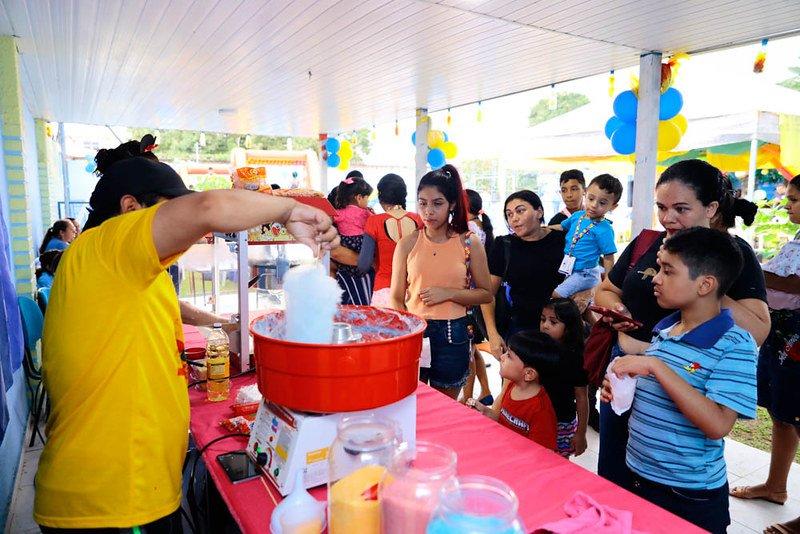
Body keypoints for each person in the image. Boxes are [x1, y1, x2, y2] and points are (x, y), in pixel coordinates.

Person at [34, 155, 338, 532]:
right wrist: (288, 210)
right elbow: (208, 208)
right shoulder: (103, 246)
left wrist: (223, 323)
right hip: (112, 502)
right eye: (170, 208)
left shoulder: (115, 267)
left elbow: (171, 306)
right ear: (131, 208)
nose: (185, 229)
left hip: (130, 491)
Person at [594, 159, 769, 490]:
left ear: (711, 209)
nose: (667, 218)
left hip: (686, 382)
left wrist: (702, 276)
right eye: (661, 207)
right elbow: (606, 289)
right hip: (627, 373)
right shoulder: (650, 242)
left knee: (667, 480)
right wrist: (618, 310)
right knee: (616, 475)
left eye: (681, 209)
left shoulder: (731, 255)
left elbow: (758, 330)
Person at [603, 227, 756, 534]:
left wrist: (655, 366)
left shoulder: (735, 344)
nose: (656, 279)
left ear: (705, 284)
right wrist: (624, 388)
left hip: (688, 494)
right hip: (639, 474)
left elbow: (717, 424)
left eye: (668, 271)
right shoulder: (666, 330)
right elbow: (663, 391)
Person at [730, 175, 800, 534]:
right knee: (781, 413)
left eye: (795, 200)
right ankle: (775, 485)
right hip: (782, 336)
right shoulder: (797, 238)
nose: (788, 206)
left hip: (797, 341)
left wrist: (756, 274)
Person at [390, 164, 492, 399]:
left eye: (437, 203)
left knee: (444, 406)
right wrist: (408, 327)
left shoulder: (469, 242)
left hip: (453, 333)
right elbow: (396, 297)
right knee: (411, 401)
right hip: (414, 331)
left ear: (452, 205)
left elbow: (486, 293)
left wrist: (448, 293)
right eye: (422, 203)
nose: (428, 211)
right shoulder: (407, 243)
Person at [481, 190, 566, 358]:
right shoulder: (504, 244)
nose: (514, 218)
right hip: (520, 329)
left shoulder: (562, 240)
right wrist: (492, 334)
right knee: (520, 374)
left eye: (520, 211)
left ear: (539, 212)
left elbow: (587, 273)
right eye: (509, 214)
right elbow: (487, 295)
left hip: (561, 326)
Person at [467, 330, 559, 450]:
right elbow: (503, 420)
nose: (502, 357)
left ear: (529, 374)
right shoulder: (512, 386)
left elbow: (544, 453)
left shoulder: (541, 411)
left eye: (509, 356)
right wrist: (484, 411)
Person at [548, 174, 622, 298]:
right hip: (571, 269)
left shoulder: (605, 229)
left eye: (602, 203)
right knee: (575, 303)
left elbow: (608, 257)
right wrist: (544, 228)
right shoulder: (578, 216)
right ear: (586, 193)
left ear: (613, 206)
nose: (594, 205)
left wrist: (607, 284)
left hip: (585, 273)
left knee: (556, 295)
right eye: (591, 198)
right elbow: (562, 226)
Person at [357, 173, 422, 307]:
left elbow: (363, 265)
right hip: (415, 291)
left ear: (381, 198)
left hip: (385, 291)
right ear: (404, 195)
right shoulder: (419, 220)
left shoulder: (374, 221)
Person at [539, 298, 589, 457]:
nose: (545, 325)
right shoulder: (537, 348)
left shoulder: (575, 358)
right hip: (538, 417)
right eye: (543, 319)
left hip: (562, 422)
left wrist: (581, 433)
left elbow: (581, 397)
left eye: (553, 322)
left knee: (557, 462)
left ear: (568, 328)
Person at [462, 189, 494, 405]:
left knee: (468, 354)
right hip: (476, 300)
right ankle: (486, 390)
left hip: (469, 298)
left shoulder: (469, 231)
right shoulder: (481, 226)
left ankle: (467, 397)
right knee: (472, 350)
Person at [332, 172, 374, 305]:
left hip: (345, 243)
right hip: (361, 244)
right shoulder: (366, 213)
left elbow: (330, 218)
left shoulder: (339, 212)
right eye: (367, 198)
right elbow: (375, 222)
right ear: (359, 197)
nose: (368, 201)